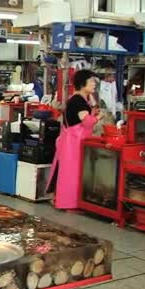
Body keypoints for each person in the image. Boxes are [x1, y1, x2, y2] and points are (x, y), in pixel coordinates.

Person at [47, 69, 101, 209]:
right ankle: (68, 203)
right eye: (91, 81)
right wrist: (98, 118)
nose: (94, 84)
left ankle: (62, 200)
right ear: (82, 84)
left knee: (68, 173)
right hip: (73, 143)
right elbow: (87, 122)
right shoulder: (78, 101)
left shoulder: (79, 99)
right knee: (71, 174)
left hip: (71, 141)